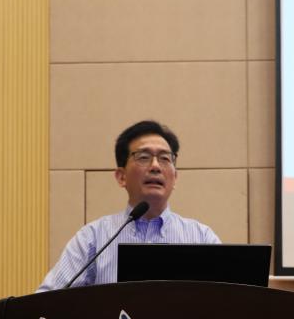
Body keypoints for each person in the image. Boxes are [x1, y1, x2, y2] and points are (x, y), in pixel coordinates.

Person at [38, 120, 220, 291]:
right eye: (143, 157)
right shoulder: (93, 238)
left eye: (165, 158)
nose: (155, 166)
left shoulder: (201, 238)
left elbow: (228, 301)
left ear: (175, 177)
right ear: (121, 177)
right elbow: (45, 301)